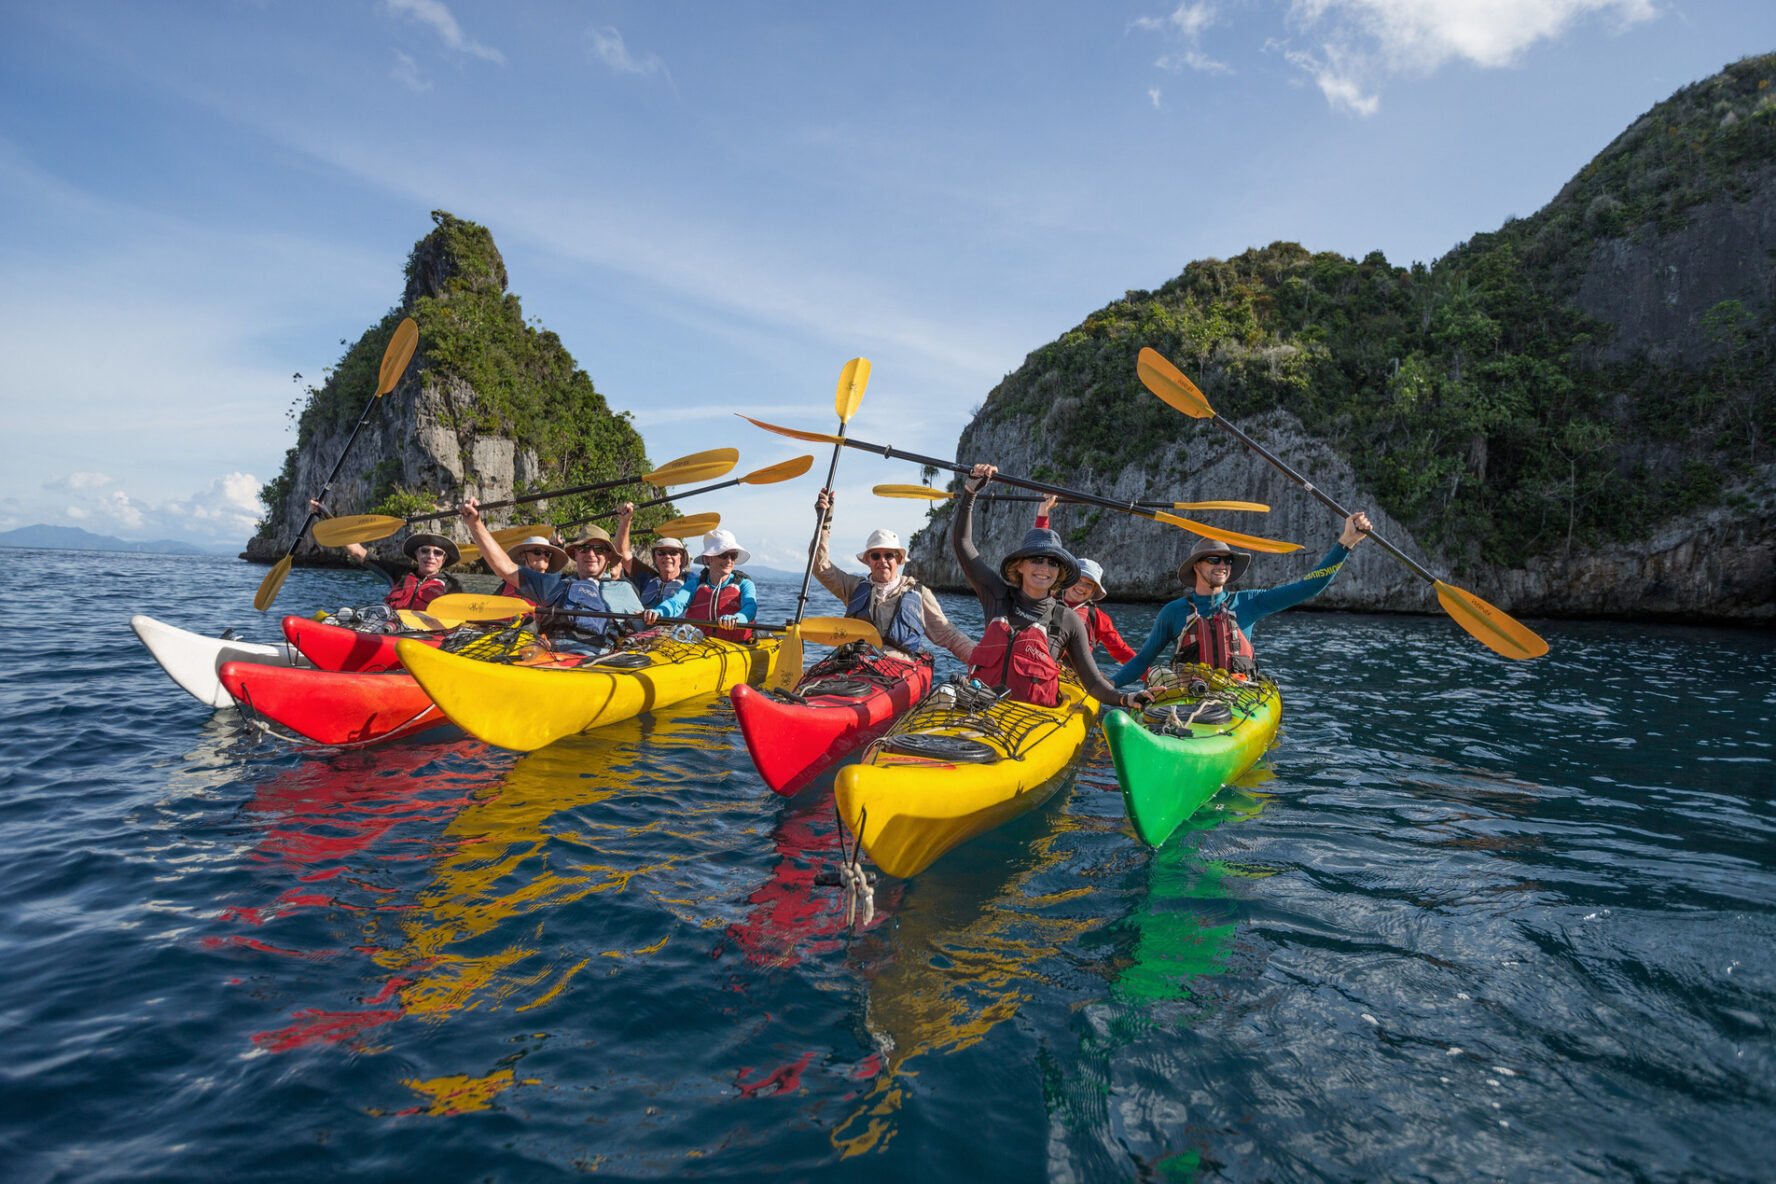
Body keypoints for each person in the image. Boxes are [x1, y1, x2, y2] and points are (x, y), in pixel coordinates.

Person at [951, 465, 1150, 711]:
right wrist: (970, 491)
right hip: (977, 707)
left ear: (1059, 572)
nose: (1044, 567)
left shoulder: (1067, 619)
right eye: (1036, 559)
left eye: (1053, 562)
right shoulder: (997, 595)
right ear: (1020, 566)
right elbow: (962, 544)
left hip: (1030, 722)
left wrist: (1126, 698)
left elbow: (1093, 682)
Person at [1113, 510, 1374, 682]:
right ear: (1196, 566)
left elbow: (1308, 588)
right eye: (1213, 560)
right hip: (1189, 697)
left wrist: (1346, 543)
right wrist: (1104, 687)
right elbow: (1143, 660)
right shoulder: (1173, 612)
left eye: (1227, 560)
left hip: (1237, 698)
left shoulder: (1249, 602)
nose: (1222, 565)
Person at [810, 488, 975, 662]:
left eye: (889, 555)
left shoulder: (919, 593)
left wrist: (982, 659)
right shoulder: (854, 587)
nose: (882, 561)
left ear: (898, 560)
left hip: (896, 669)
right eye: (875, 556)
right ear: (868, 561)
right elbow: (819, 565)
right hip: (854, 662)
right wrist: (823, 523)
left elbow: (949, 636)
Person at [458, 498, 644, 648]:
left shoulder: (624, 589)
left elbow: (644, 633)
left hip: (604, 660)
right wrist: (476, 524)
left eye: (599, 549)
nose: (591, 554)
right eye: (585, 548)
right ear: (576, 554)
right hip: (555, 658)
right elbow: (506, 568)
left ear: (609, 558)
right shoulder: (556, 585)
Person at [1032, 495, 1135, 664]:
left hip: (1071, 677)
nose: (1081, 587)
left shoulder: (1098, 619)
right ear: (1069, 579)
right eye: (1079, 580)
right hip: (1037, 664)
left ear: (1094, 590)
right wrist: (1043, 511)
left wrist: (1151, 674)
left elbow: (1122, 652)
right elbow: (1040, 550)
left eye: (1089, 584)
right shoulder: (1046, 595)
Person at [308, 498, 461, 611]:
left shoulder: (451, 585)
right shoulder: (399, 574)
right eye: (425, 550)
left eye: (438, 553)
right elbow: (357, 552)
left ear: (444, 558)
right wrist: (327, 516)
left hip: (427, 638)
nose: (430, 556)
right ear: (416, 554)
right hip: (392, 631)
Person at [645, 529, 758, 643]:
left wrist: (738, 619)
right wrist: (659, 611)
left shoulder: (744, 584)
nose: (729, 560)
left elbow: (750, 608)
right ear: (708, 558)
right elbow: (675, 603)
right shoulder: (694, 584)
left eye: (733, 555)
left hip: (737, 645)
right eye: (723, 555)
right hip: (700, 645)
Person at [497, 535, 570, 604]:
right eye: (537, 552)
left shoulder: (557, 586)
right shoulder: (507, 585)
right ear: (523, 555)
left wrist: (561, 546)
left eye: (547, 553)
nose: (543, 556)